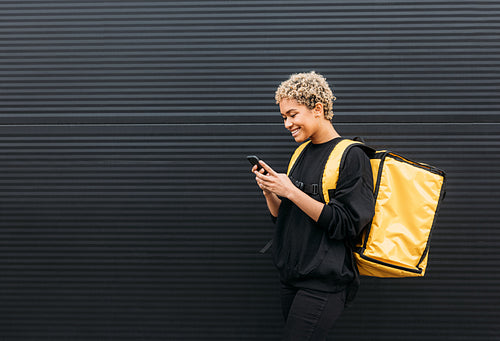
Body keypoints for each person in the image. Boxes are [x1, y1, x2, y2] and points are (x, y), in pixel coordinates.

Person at [251, 71, 375, 340]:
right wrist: (270, 191)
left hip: (323, 283)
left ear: (317, 109)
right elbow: (283, 217)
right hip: (292, 278)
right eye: (284, 117)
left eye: (293, 115)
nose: (287, 124)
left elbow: (347, 223)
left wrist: (292, 191)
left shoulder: (352, 155)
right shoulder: (300, 152)